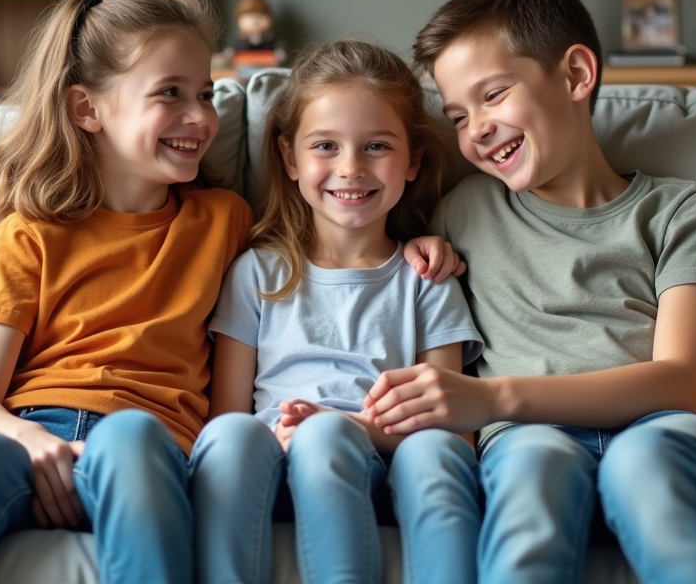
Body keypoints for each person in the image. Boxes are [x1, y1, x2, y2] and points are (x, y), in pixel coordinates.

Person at [364, 0, 696, 584]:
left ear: (576, 75)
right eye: (458, 115)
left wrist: (494, 398)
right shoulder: (462, 211)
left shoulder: (680, 210)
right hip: (529, 445)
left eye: (493, 95)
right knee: (532, 466)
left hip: (672, 442)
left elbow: (681, 382)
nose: (477, 130)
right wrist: (415, 247)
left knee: (643, 463)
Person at [0, 0, 254, 584]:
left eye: (205, 94)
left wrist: (421, 243)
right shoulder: (30, 234)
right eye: (170, 93)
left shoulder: (225, 221)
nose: (201, 116)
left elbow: (327, 250)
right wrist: (29, 440)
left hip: (148, 448)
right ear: (87, 108)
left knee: (129, 435)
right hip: (33, 437)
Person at [192, 40, 485, 584]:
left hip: (378, 462)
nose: (350, 168)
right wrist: (282, 434)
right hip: (271, 461)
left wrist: (346, 426)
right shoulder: (257, 273)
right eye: (325, 145)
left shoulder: (426, 279)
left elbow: (452, 433)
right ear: (289, 157)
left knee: (341, 441)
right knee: (228, 441)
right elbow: (228, 417)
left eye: (376, 146)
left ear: (413, 160)